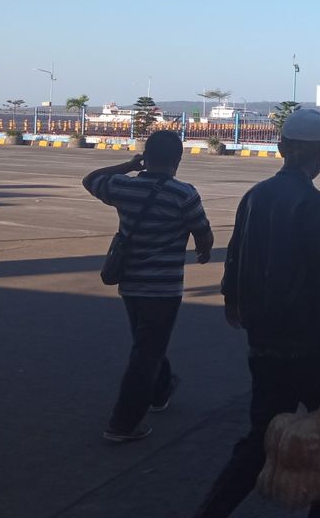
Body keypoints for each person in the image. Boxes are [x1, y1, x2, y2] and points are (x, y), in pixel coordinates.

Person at [194, 108, 320, 518]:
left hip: (263, 343)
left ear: (281, 148)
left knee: (261, 439)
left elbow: (236, 253)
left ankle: (209, 510)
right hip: (309, 350)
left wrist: (232, 299)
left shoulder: (255, 195)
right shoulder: (315, 205)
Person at [82, 130, 214, 443]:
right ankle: (123, 423)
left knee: (147, 341)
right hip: (164, 287)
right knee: (146, 352)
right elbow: (203, 231)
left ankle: (160, 391)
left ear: (146, 157)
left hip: (130, 284)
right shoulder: (184, 194)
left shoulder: (124, 187)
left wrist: (127, 166)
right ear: (177, 161)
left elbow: (91, 179)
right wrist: (203, 249)